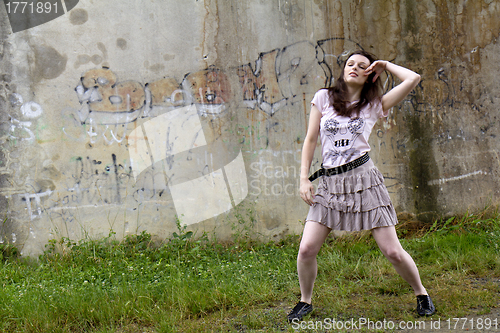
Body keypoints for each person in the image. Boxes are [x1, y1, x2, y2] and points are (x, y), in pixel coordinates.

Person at [287, 50, 436, 322]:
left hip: (365, 181)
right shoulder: (323, 98)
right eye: (350, 64)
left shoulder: (374, 105)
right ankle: (304, 300)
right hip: (330, 184)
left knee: (392, 250)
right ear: (343, 70)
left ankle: (421, 293)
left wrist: (387, 65)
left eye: (362, 66)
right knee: (307, 249)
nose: (354, 68)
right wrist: (303, 177)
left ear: (370, 75)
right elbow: (310, 140)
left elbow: (413, 78)